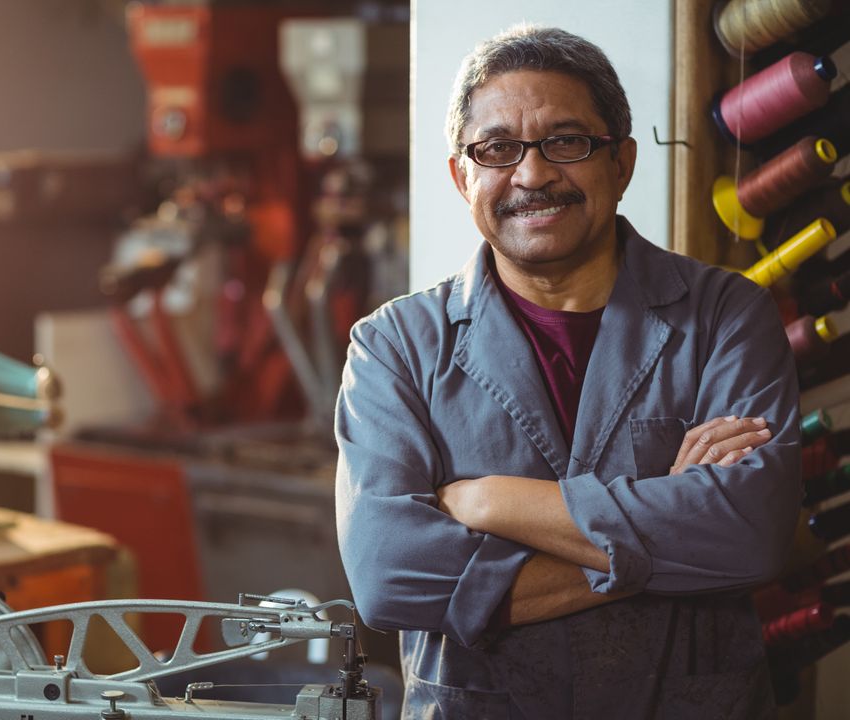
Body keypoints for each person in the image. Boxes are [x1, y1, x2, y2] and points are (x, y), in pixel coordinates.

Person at [334, 24, 801, 719]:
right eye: (497, 149)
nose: (532, 175)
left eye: (567, 141)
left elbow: (750, 533)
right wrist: (662, 518)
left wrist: (492, 502)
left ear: (621, 162)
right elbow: (390, 576)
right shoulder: (394, 345)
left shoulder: (726, 316)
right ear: (463, 176)